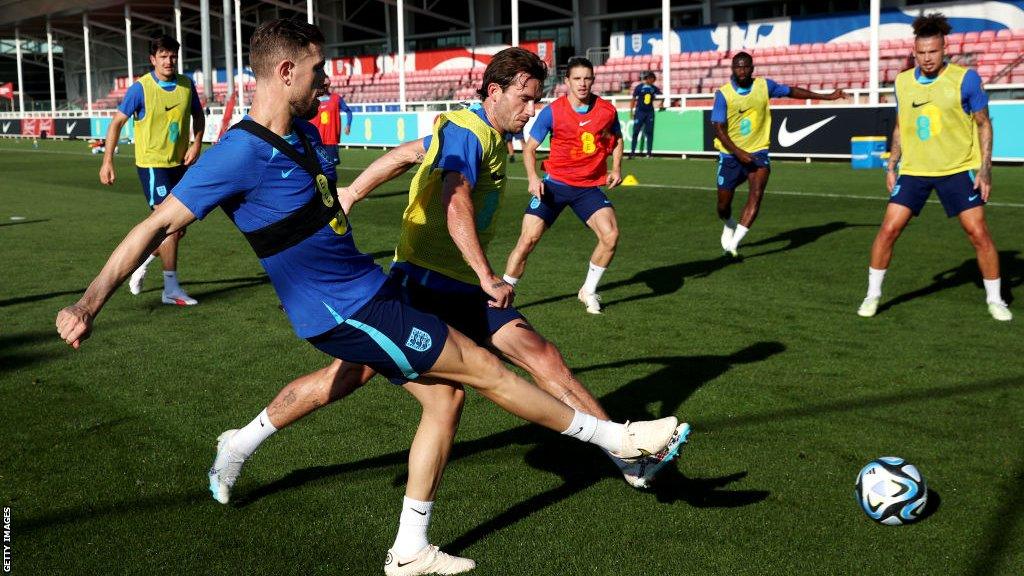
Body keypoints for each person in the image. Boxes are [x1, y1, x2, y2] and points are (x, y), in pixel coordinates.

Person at [56, 23, 682, 576]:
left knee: (443, 398)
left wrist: (370, 179)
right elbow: (153, 227)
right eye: (317, 68)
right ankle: (615, 442)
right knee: (484, 369)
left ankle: (402, 542)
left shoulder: (301, 134)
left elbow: (374, 175)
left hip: (369, 289)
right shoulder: (239, 152)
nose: (325, 79)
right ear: (285, 70)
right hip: (343, 309)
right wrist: (88, 304)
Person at [857, 13, 1011, 322]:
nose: (928, 59)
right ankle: (872, 295)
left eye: (934, 52)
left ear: (944, 50)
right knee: (888, 230)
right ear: (914, 51)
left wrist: (985, 170)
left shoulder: (965, 79)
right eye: (922, 53)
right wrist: (892, 163)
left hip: (955, 171)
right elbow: (901, 126)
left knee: (978, 233)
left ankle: (996, 300)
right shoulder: (902, 81)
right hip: (914, 171)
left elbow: (983, 125)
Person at [502, 56, 623, 315]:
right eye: (577, 78)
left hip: (587, 188)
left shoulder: (606, 111)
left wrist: (616, 168)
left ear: (593, 80)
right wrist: (533, 178)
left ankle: (588, 291)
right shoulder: (553, 111)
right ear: (567, 81)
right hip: (554, 186)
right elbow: (530, 149)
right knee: (527, 240)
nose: (582, 84)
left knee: (610, 236)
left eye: (587, 78)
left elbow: (616, 138)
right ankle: (502, 295)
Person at [100, 34, 205, 306]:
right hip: (151, 165)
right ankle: (171, 288)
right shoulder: (140, 89)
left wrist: (196, 144)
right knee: (167, 227)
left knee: (178, 229)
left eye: (173, 56)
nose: (169, 61)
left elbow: (199, 115)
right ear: (152, 59)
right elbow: (116, 124)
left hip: (179, 165)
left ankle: (141, 261)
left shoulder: (186, 85)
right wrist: (107, 160)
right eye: (163, 56)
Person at [711, 52, 845, 257]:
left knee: (756, 194)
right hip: (731, 155)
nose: (742, 70)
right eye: (738, 67)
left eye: (746, 67)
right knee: (722, 206)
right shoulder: (724, 94)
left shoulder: (765, 86)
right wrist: (738, 153)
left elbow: (792, 91)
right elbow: (719, 128)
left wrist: (826, 96)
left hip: (758, 151)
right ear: (732, 68)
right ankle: (729, 224)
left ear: (752, 68)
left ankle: (733, 245)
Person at [310, 86, 353, 165]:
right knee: (316, 168)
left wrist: (348, 125)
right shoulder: (311, 99)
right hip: (316, 140)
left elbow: (348, 111)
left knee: (331, 169)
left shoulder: (336, 98)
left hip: (331, 140)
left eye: (327, 83)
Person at [628, 71, 663, 159]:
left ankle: (649, 153)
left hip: (650, 112)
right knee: (635, 132)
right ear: (648, 79)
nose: (653, 81)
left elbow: (662, 96)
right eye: (652, 79)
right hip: (639, 112)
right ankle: (632, 152)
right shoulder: (639, 87)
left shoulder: (653, 88)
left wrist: (661, 103)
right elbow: (633, 99)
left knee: (649, 132)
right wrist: (631, 111)